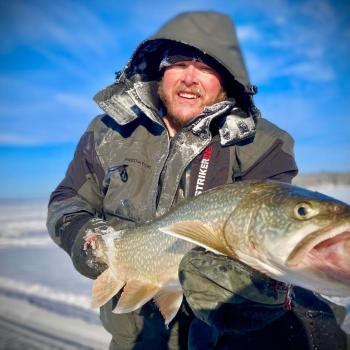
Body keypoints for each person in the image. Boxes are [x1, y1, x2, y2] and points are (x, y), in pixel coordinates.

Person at [47, 11, 347, 350]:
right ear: (159, 70)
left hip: (219, 340)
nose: (190, 78)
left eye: (207, 68)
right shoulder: (108, 132)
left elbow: (272, 246)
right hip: (132, 337)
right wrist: (92, 242)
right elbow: (68, 199)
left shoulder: (261, 145)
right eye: (178, 63)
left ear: (227, 79)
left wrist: (264, 294)